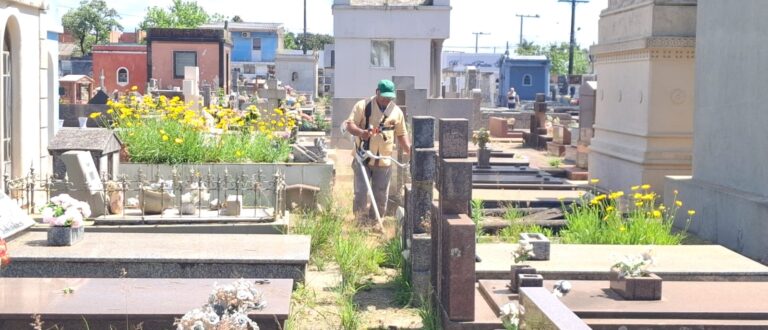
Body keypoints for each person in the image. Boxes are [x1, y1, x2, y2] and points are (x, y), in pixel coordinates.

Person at [344, 79, 411, 225]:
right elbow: (349, 125)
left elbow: (402, 135)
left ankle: (375, 222)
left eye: (389, 97)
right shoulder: (363, 106)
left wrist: (411, 152)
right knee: (361, 192)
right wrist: (362, 132)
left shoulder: (396, 112)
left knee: (381, 194)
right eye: (384, 96)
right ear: (377, 92)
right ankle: (360, 222)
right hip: (363, 158)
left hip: (384, 160)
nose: (386, 100)